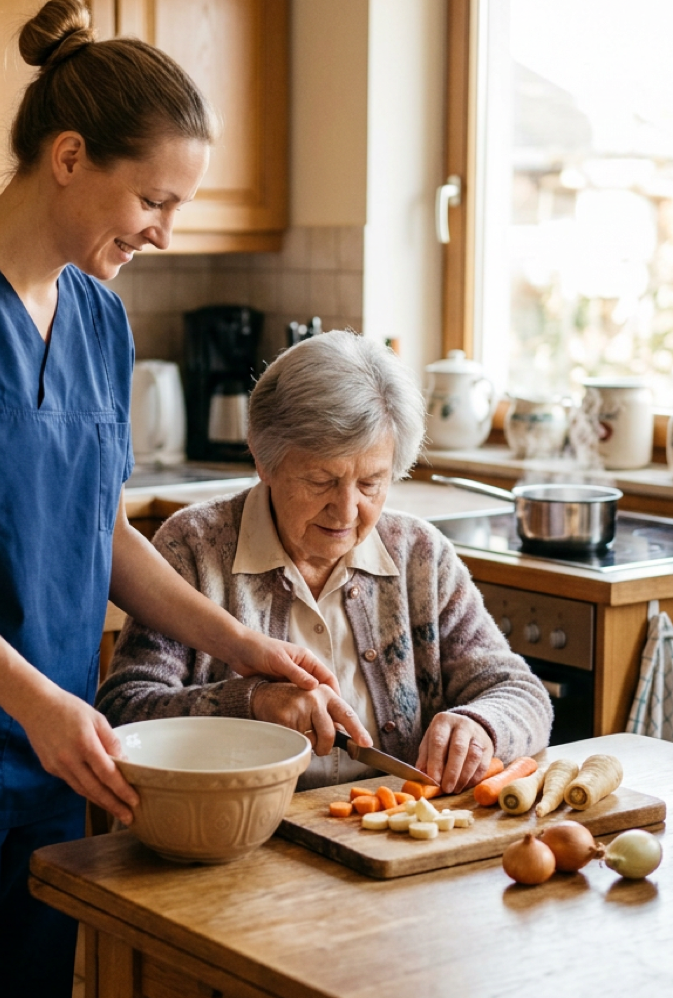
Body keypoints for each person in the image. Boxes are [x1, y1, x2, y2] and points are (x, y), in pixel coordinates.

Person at [0, 0, 368, 998]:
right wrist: (39, 703)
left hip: (55, 756)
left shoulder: (101, 316)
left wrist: (249, 646)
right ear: (69, 156)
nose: (163, 230)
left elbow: (97, 538)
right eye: (153, 198)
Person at [97, 331, 553, 791]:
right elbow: (124, 710)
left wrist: (480, 725)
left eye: (372, 483)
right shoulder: (193, 548)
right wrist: (251, 702)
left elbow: (520, 692)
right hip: (236, 836)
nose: (348, 510)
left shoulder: (420, 556)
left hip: (387, 836)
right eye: (321, 480)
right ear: (263, 458)